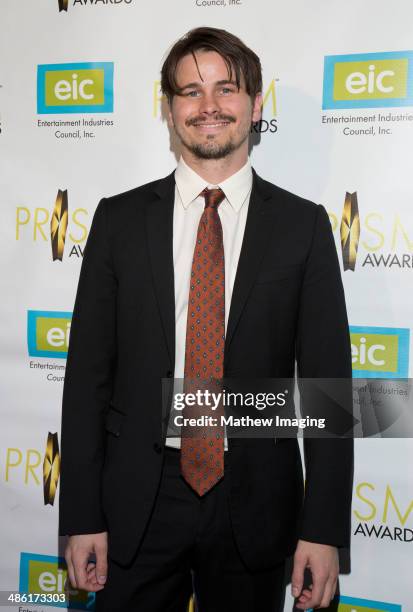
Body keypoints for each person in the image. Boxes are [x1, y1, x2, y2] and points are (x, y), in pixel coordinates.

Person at [59, 26, 354, 611]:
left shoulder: (304, 227)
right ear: (169, 110)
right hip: (135, 503)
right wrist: (81, 515)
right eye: (190, 91)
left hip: (257, 505)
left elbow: (326, 393)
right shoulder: (117, 222)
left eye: (226, 89)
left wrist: (321, 530)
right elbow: (86, 379)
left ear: (256, 104)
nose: (209, 106)